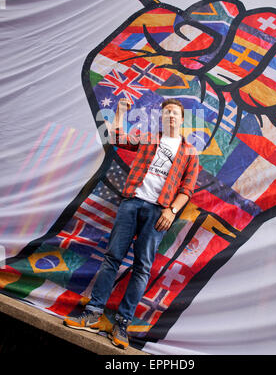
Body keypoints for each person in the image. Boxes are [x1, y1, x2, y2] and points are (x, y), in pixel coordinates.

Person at [64, 98, 199, 349]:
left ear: (182, 120)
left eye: (175, 113)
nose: (170, 116)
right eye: (166, 112)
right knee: (112, 258)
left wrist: (171, 210)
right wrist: (121, 112)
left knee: (142, 268)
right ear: (162, 117)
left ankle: (122, 323)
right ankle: (93, 313)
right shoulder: (148, 138)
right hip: (132, 203)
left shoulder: (189, 152)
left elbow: (187, 188)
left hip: (159, 212)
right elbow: (116, 137)